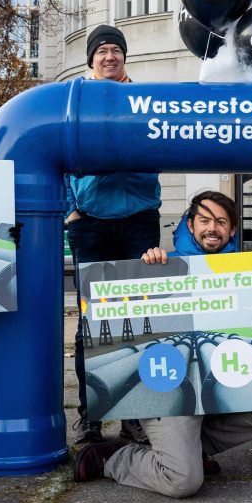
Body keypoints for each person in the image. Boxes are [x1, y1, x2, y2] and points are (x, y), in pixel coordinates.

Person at [72, 191, 252, 498]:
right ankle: (113, 457)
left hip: (219, 385)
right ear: (190, 226)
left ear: (232, 230)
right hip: (168, 393)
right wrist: (141, 271)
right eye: (204, 220)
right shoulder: (163, 265)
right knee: (182, 481)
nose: (212, 228)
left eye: (221, 222)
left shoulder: (248, 273)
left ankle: (190, 449)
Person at [67, 24, 162, 445]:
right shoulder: (75, 99)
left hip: (139, 218)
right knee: (92, 320)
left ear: (125, 58)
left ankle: (133, 415)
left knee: (137, 317)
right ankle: (91, 415)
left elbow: (167, 144)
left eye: (116, 51)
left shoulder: (146, 100)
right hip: (90, 222)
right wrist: (71, 208)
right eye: (102, 51)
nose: (109, 56)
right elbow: (57, 157)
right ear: (91, 60)